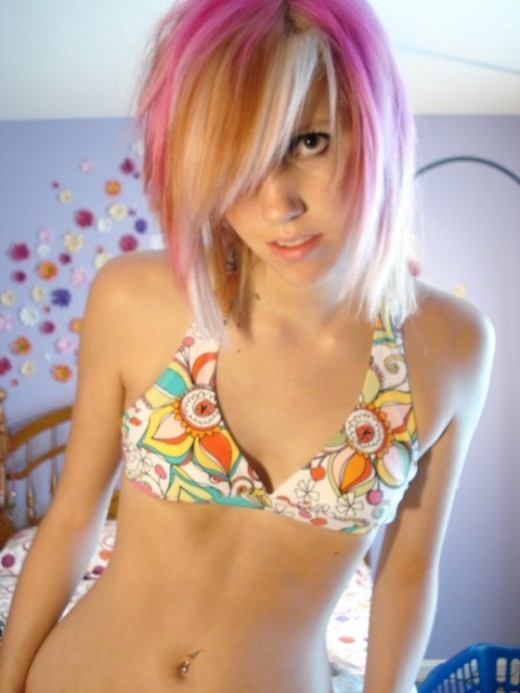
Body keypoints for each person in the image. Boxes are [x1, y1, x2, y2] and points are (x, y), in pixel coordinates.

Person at [0, 0, 494, 691]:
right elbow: (74, 517)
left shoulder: (450, 344)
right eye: (235, 162)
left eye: (309, 142)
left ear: (376, 128)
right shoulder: (135, 298)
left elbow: (407, 569)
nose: (276, 205)